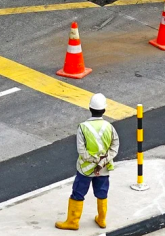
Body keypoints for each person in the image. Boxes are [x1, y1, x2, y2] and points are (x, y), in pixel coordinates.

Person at [56, 93, 119, 231]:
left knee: (78, 193)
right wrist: (102, 162)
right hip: (103, 169)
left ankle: (73, 221)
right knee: (102, 192)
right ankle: (101, 220)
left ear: (90, 108)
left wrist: (93, 161)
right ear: (104, 110)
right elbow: (114, 148)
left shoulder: (83, 127)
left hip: (85, 169)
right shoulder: (109, 127)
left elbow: (81, 151)